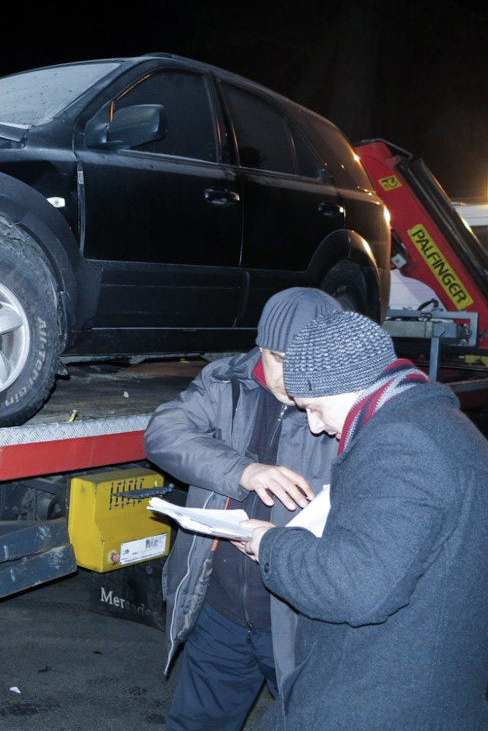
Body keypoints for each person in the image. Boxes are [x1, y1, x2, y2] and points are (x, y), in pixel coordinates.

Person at [239, 310, 488, 731]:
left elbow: (355, 587)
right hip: (428, 694)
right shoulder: (439, 426)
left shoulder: (402, 446)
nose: (315, 426)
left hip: (376, 702)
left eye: (313, 407)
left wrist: (269, 543)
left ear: (347, 386)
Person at [144, 287, 341, 731]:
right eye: (277, 357)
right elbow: (163, 433)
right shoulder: (226, 381)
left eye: (304, 360)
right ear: (260, 346)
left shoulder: (343, 408)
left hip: (298, 621)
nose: (288, 376)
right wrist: (245, 471)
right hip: (221, 610)